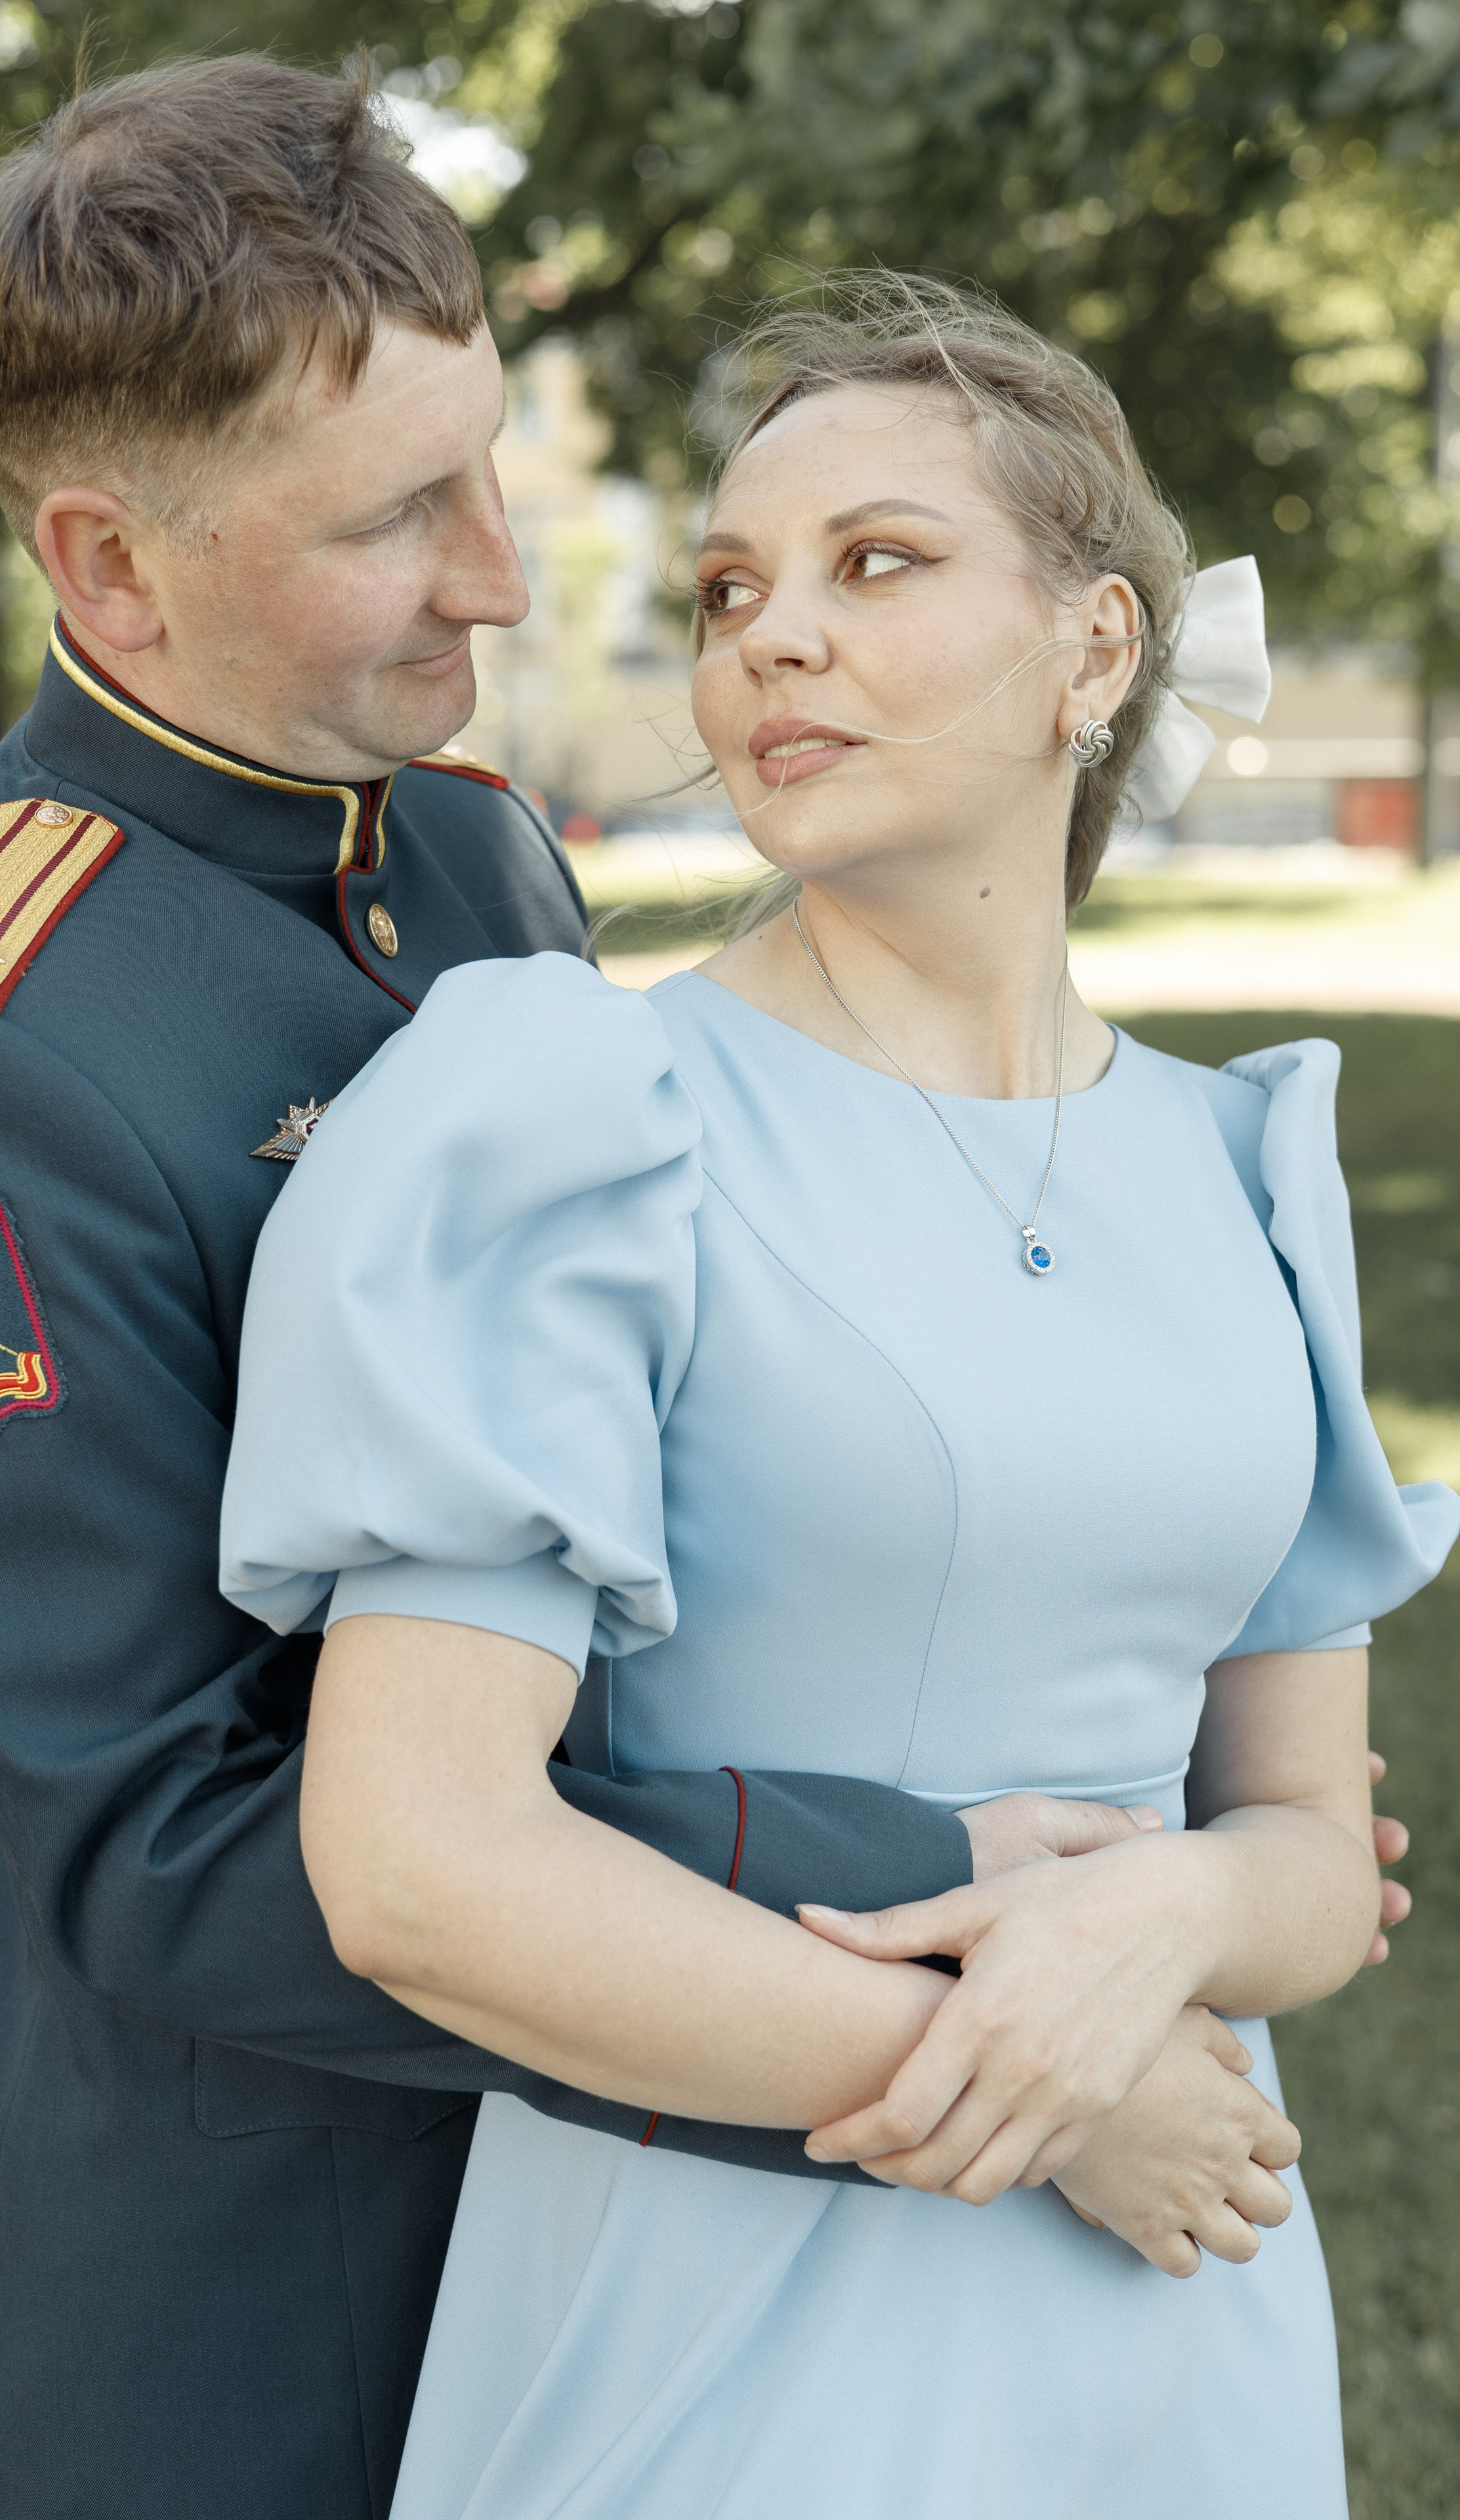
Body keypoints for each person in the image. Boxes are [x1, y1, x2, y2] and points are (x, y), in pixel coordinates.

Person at [0, 64, 1303, 2520]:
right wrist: (912, 1921)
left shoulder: (477, 859)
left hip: (661, 2236)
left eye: (488, 463)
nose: (502, 574)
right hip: (290, 2280)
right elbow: (172, 1844)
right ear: (108, 564)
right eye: (397, 517)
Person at [220, 277, 1460, 2519]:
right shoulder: (572, 1116)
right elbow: (417, 1866)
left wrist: (1153, 1929)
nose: (770, 639)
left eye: (875, 566)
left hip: (1183, 2300)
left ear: (1096, 649)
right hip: (737, 2279)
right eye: (728, 590)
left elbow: (1305, 1853)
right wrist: (1056, 2086)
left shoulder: (1245, 1165)